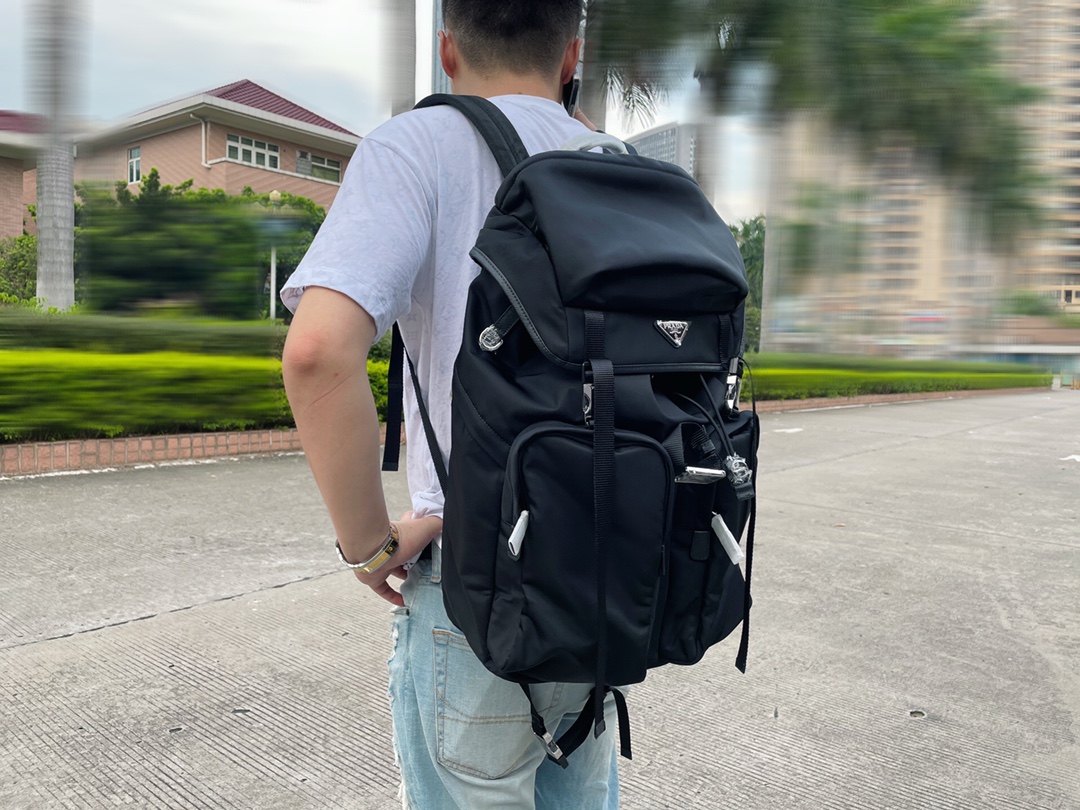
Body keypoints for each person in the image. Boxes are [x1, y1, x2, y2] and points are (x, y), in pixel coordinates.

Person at [280, 2, 620, 807]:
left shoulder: (418, 146)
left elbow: (318, 352)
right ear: (571, 57)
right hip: (614, 577)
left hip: (479, 582)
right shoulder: (622, 165)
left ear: (448, 50)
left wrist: (370, 548)